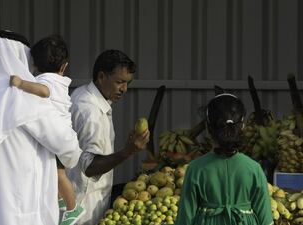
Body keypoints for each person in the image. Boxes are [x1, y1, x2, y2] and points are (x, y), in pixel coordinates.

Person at [0, 30, 82, 225]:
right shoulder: (23, 94)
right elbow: (64, 142)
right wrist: (72, 158)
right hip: (21, 201)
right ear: (21, 55)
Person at [67, 49, 150, 225]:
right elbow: (89, 166)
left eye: (128, 83)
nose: (124, 89)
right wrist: (128, 152)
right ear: (102, 76)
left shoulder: (83, 94)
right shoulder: (90, 111)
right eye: (119, 82)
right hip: (84, 205)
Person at [9, 34, 85, 225]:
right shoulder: (61, 81)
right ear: (64, 66)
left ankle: (73, 208)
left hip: (59, 137)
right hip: (64, 134)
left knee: (59, 176)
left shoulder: (45, 82)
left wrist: (21, 84)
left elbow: (44, 92)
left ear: (34, 65)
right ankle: (62, 200)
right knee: (56, 174)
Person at [174, 93, 273, 225]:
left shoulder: (195, 169)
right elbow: (266, 220)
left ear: (208, 128)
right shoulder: (254, 169)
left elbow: (184, 220)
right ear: (242, 126)